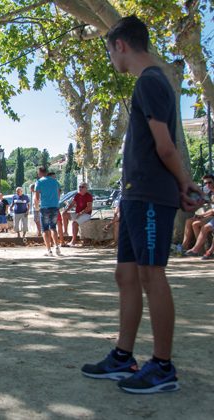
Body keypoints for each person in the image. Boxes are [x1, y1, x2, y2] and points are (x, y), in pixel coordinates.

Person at [81, 16, 203, 394]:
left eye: (108, 50)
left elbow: (164, 146)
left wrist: (185, 183)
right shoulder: (149, 83)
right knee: (127, 276)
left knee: (152, 276)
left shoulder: (150, 82)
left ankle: (163, 366)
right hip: (137, 194)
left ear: (120, 45)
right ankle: (123, 356)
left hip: (151, 195)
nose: (110, 59)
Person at [180, 174, 213, 250]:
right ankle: (185, 245)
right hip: (208, 215)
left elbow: (212, 210)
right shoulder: (209, 193)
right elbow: (208, 207)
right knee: (189, 221)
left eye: (210, 182)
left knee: (195, 224)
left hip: (212, 216)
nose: (208, 185)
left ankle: (200, 249)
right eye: (206, 183)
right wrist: (199, 214)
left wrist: (202, 215)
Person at [35, 166, 62, 256]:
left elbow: (36, 197)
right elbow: (58, 193)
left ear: (39, 173)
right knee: (53, 227)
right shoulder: (55, 181)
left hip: (45, 207)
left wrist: (36, 207)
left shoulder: (39, 182)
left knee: (45, 229)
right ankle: (57, 247)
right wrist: (56, 202)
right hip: (54, 207)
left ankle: (49, 250)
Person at [63, 182, 93, 246]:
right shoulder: (77, 195)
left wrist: (80, 213)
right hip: (77, 214)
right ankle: (65, 232)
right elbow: (72, 204)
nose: (80, 188)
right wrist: (66, 210)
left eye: (82, 187)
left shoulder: (88, 196)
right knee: (64, 214)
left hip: (86, 214)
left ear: (86, 188)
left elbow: (89, 208)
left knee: (74, 223)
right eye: (79, 187)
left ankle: (73, 241)